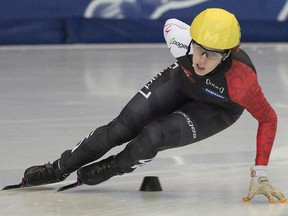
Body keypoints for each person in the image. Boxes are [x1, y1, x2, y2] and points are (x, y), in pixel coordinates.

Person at [17, 8, 286, 203]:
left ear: (228, 53)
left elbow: (269, 119)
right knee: (119, 129)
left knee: (153, 136)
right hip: (181, 82)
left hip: (218, 107)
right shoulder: (178, 39)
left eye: (212, 54)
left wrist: (260, 172)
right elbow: (171, 22)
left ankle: (113, 167)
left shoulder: (241, 81)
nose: (201, 60)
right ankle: (57, 168)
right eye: (198, 48)